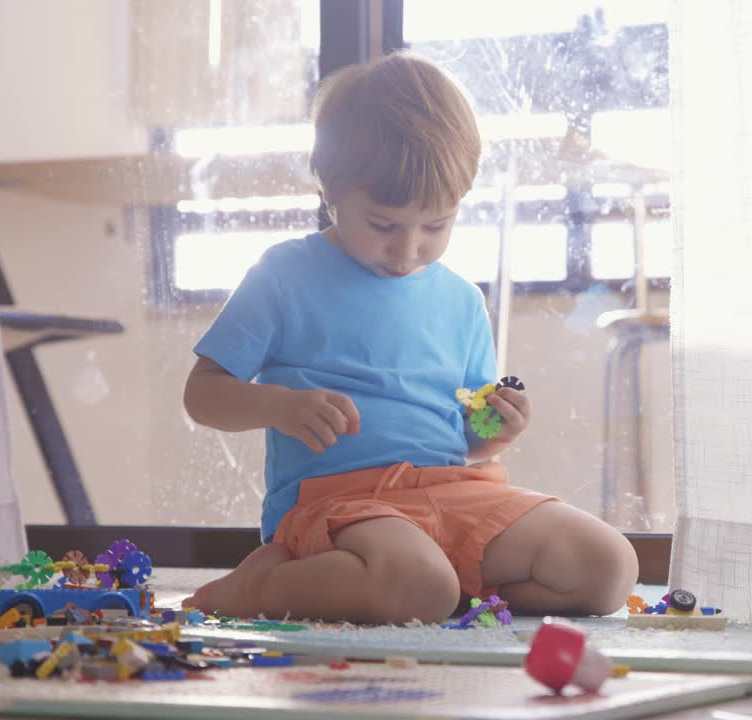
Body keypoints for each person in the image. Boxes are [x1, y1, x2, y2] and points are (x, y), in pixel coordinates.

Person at [181, 52, 638, 624]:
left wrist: (498, 427)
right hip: (339, 504)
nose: (408, 250)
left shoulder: (461, 300)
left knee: (608, 566)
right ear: (330, 188)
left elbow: (466, 436)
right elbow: (203, 394)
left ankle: (438, 589)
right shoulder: (283, 275)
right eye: (382, 225)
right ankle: (258, 587)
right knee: (418, 584)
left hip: (456, 492)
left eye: (436, 225)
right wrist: (279, 405)